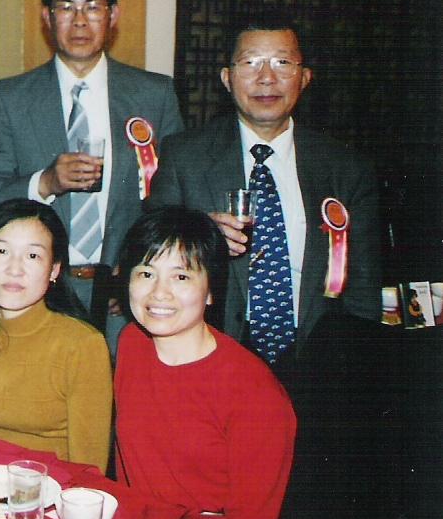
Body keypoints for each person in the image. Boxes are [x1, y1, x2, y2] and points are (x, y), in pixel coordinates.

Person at [0, 0, 183, 351]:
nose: (80, 21)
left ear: (112, 15)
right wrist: (45, 182)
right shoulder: (11, 97)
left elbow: (175, 199)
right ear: (47, 17)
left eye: (92, 7)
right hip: (41, 295)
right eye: (66, 8)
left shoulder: (155, 95)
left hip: (127, 298)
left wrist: (141, 266)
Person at [147, 19, 380, 366]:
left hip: (317, 357)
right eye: (251, 62)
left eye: (282, 62)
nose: (267, 78)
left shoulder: (346, 168)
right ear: (227, 78)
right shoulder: (184, 156)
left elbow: (363, 288)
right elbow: (148, 250)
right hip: (212, 350)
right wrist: (200, 235)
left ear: (304, 77)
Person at [114, 206, 296, 519]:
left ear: (211, 290)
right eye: (146, 273)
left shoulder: (255, 394)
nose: (159, 293)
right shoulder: (132, 344)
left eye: (181, 277)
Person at [0, 199, 111, 469]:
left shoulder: (82, 345)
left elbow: (90, 470)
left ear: (54, 269)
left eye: (33, 256)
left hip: (57, 488)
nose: (15, 269)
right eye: (2, 251)